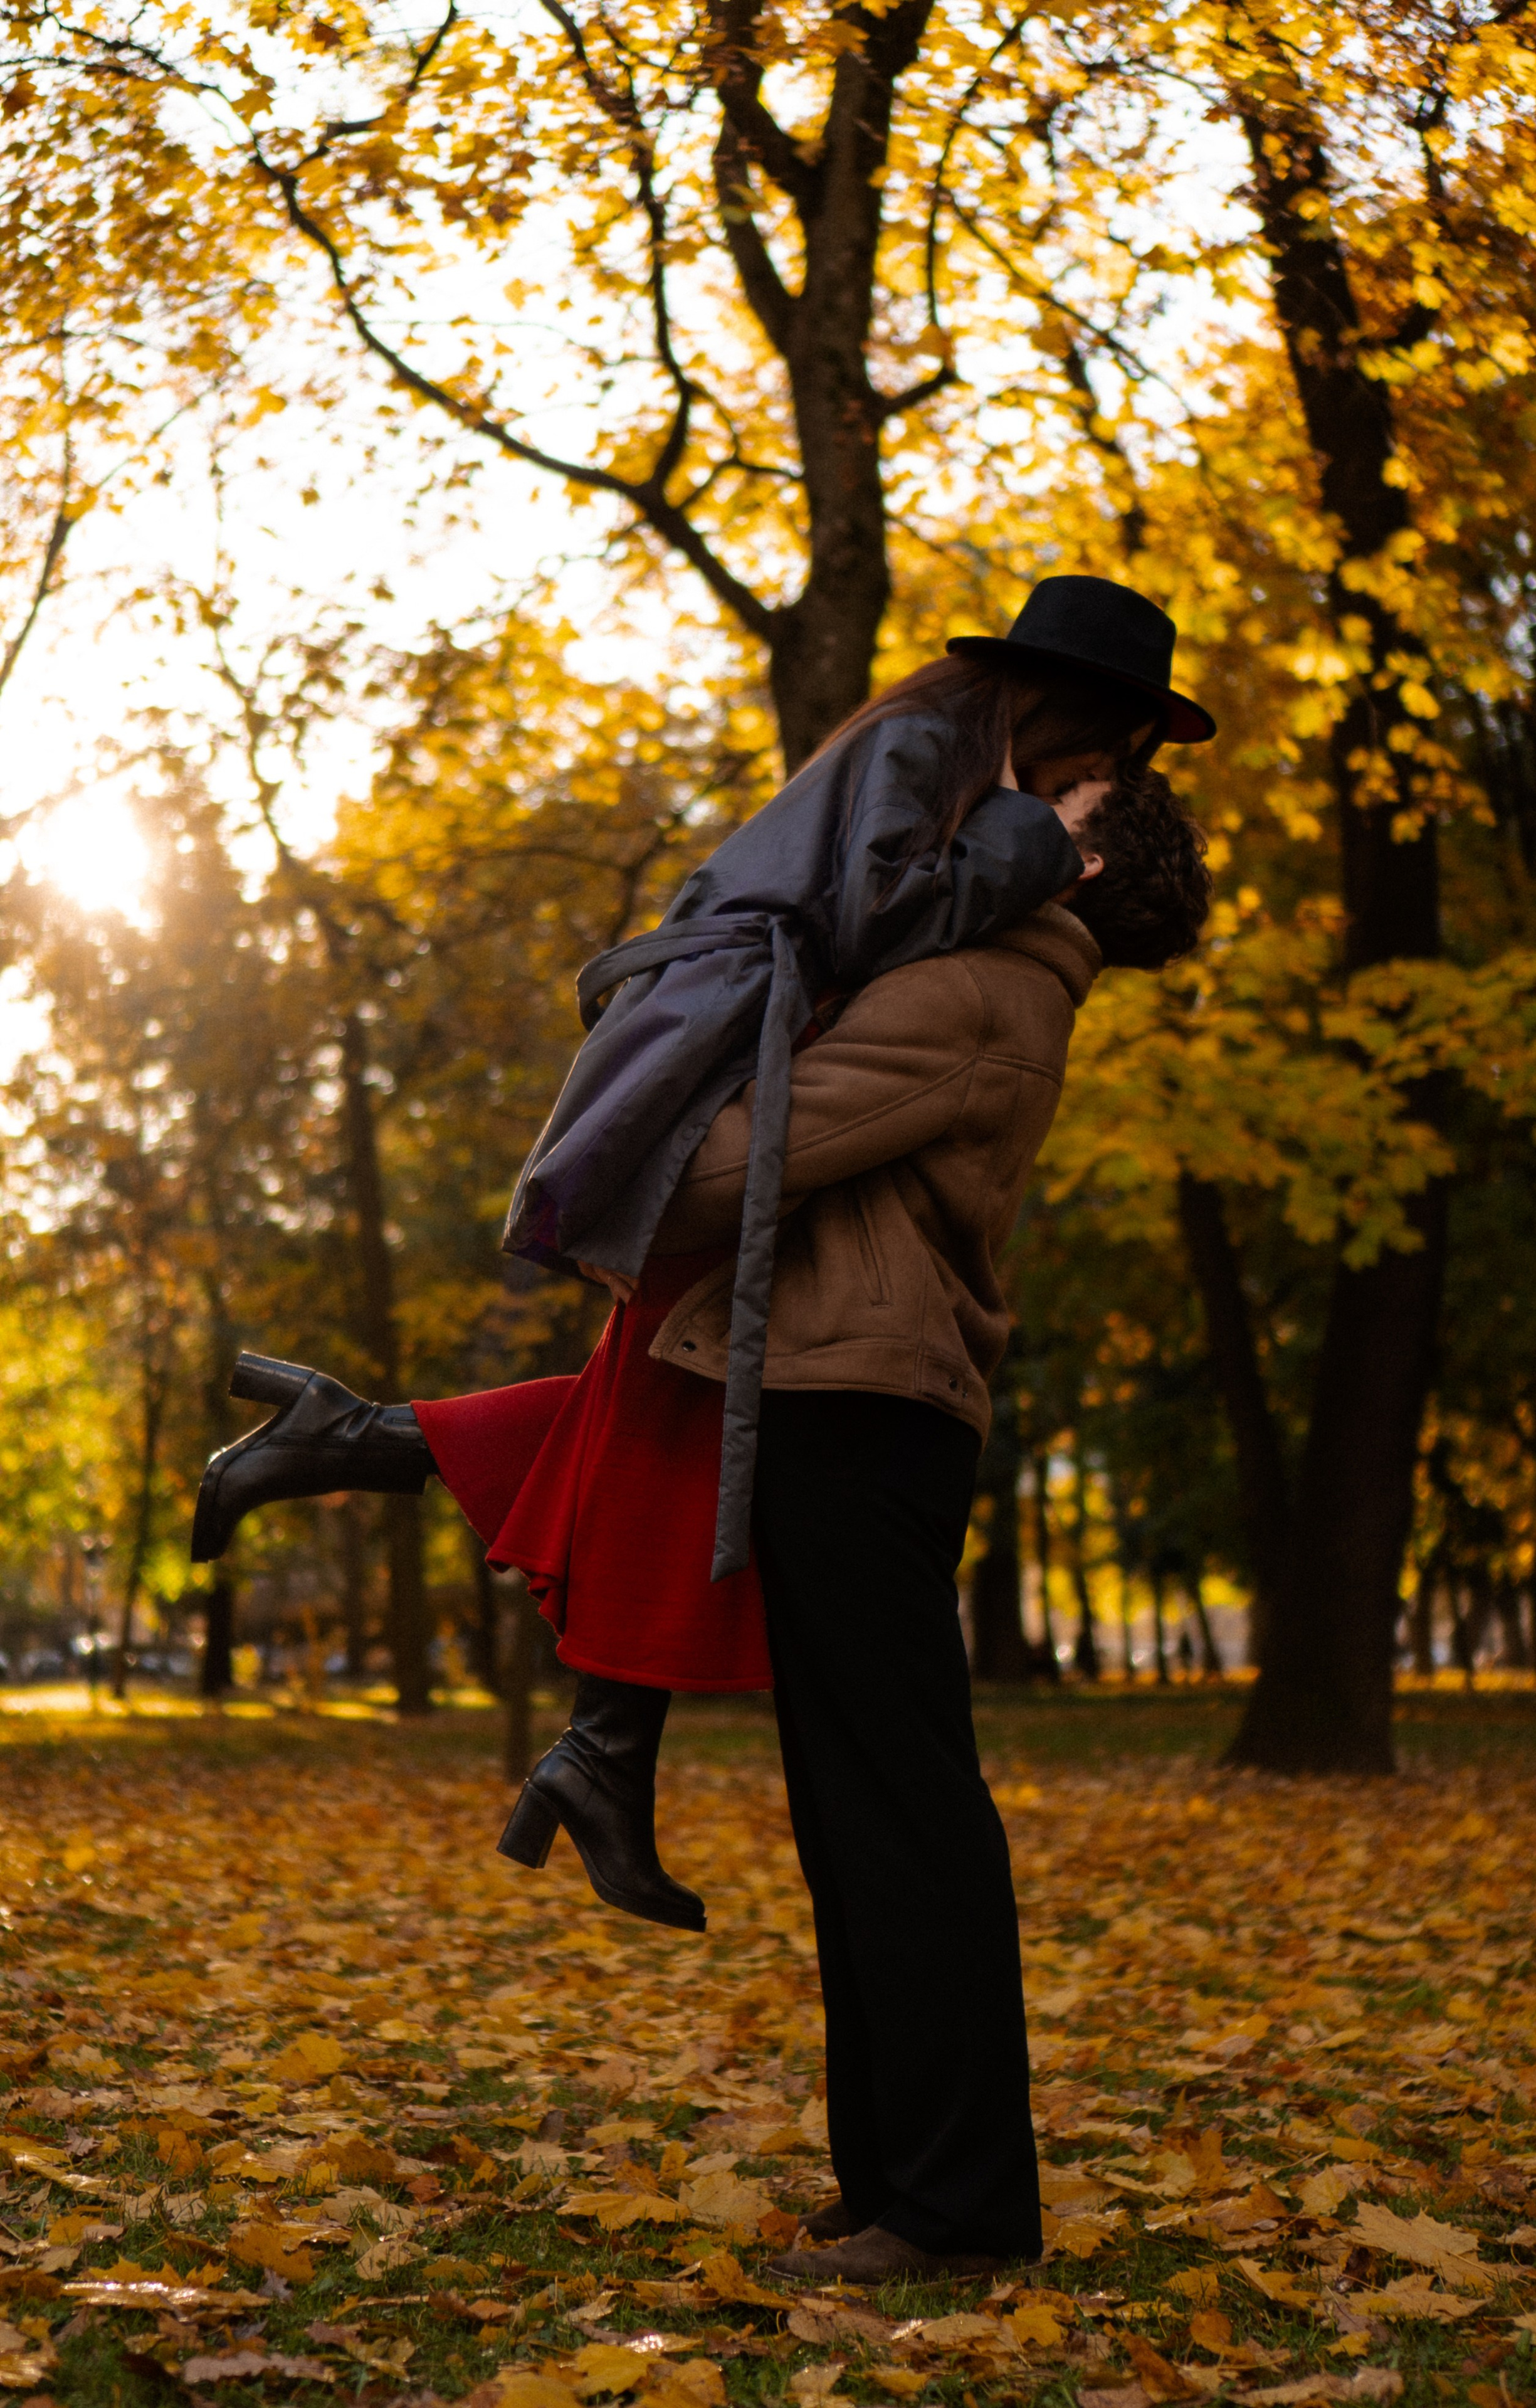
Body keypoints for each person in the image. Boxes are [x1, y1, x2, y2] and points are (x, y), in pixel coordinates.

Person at [191, 574, 1214, 2278]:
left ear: (1079, 847)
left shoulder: (987, 988)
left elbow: (731, 1168)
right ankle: (898, 2191)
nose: (1023, 805)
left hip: (861, 1408)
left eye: (1063, 800)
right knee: (866, 1817)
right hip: (835, 1389)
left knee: (899, 1816)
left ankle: (955, 2214)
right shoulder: (977, 951)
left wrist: (688, 1089)